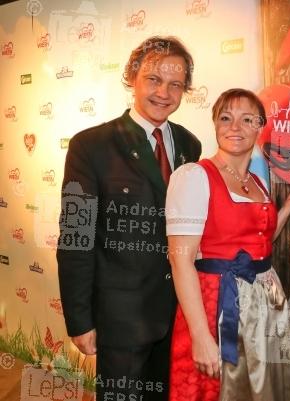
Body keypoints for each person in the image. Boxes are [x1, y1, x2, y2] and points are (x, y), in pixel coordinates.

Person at [57, 36, 202, 401]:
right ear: (132, 77)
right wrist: (80, 319)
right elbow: (76, 236)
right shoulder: (91, 145)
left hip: (177, 314)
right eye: (154, 79)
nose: (164, 93)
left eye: (175, 84)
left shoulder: (190, 144)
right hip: (120, 319)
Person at [166, 88, 290, 401]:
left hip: (267, 302)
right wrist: (200, 336)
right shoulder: (195, 177)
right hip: (220, 303)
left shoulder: (258, 182)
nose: (234, 127)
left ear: (260, 127)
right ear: (215, 125)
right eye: (225, 118)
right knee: (224, 387)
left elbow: (258, 245)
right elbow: (180, 260)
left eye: (246, 119)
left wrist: (287, 207)